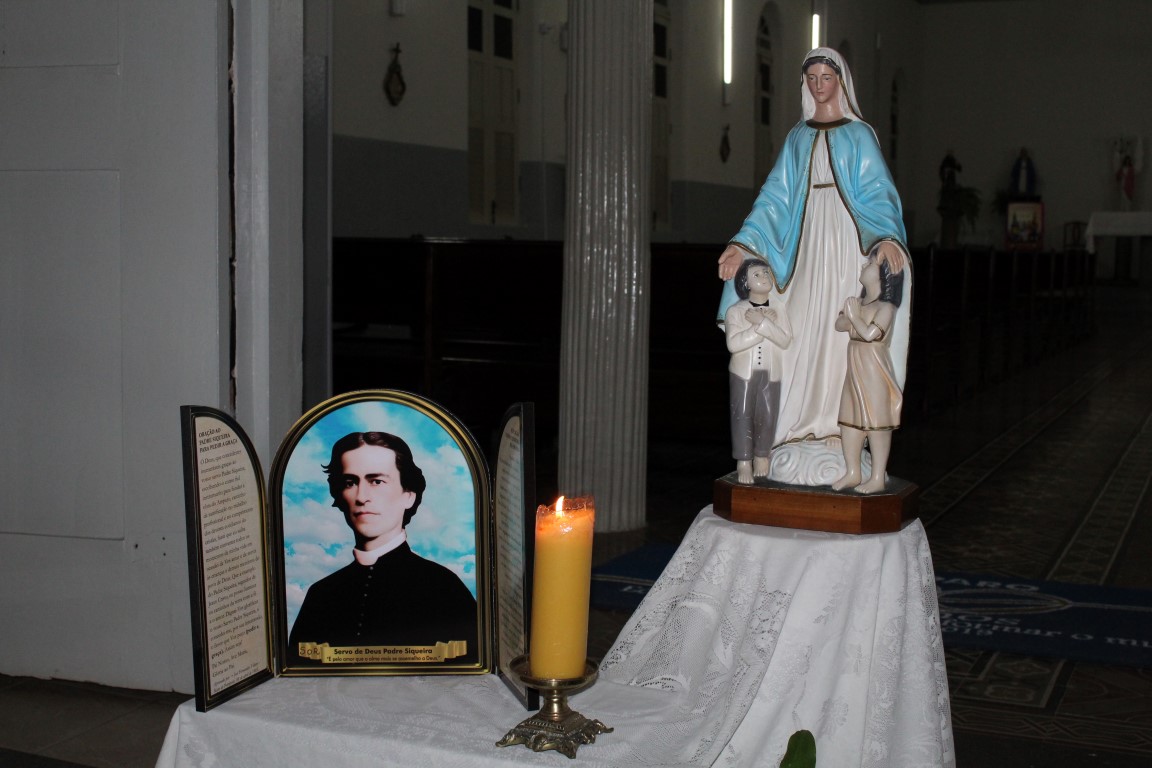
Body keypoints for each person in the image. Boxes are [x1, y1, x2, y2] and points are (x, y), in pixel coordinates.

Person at [716, 47, 910, 486]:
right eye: (812, 78)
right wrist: (743, 244)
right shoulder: (798, 138)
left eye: (827, 77)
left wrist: (885, 237)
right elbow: (774, 198)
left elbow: (879, 193)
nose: (819, 85)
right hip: (805, 244)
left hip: (848, 244)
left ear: (840, 82)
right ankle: (798, 424)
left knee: (840, 335)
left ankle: (839, 432)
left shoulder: (860, 136)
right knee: (802, 327)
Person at [287, 431, 478, 666]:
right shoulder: (320, 595)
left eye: (376, 481)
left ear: (409, 495)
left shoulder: (445, 589)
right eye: (350, 482)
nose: (361, 497)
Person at [832, 255, 905, 494]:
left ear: (885, 275)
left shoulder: (886, 307)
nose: (864, 264)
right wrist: (853, 318)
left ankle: (877, 477)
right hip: (855, 367)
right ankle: (853, 472)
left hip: (874, 368)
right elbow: (839, 324)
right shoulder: (860, 303)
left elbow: (870, 334)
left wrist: (854, 318)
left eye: (871, 263)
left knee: (876, 422)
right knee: (849, 420)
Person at [726, 259, 793, 484]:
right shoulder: (736, 311)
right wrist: (760, 326)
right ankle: (744, 460)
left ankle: (762, 454)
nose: (764, 277)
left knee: (767, 412)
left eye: (766, 272)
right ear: (746, 282)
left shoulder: (779, 308)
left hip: (771, 371)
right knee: (742, 414)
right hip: (743, 373)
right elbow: (734, 344)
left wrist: (764, 322)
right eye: (757, 274)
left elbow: (784, 340)